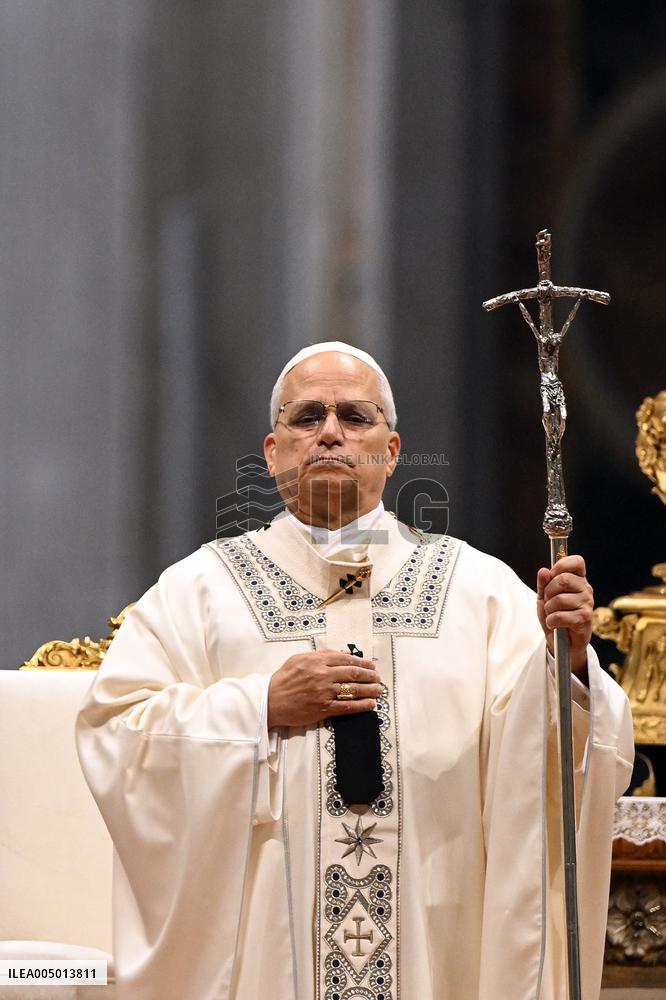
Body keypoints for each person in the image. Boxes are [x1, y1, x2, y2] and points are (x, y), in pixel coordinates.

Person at [76, 341, 633, 1000]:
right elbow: (115, 733)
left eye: (356, 417)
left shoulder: (478, 590)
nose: (332, 433)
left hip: (436, 937)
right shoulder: (199, 590)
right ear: (272, 451)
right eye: (307, 417)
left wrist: (565, 667)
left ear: (392, 452)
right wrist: (259, 707)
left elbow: (548, 765)